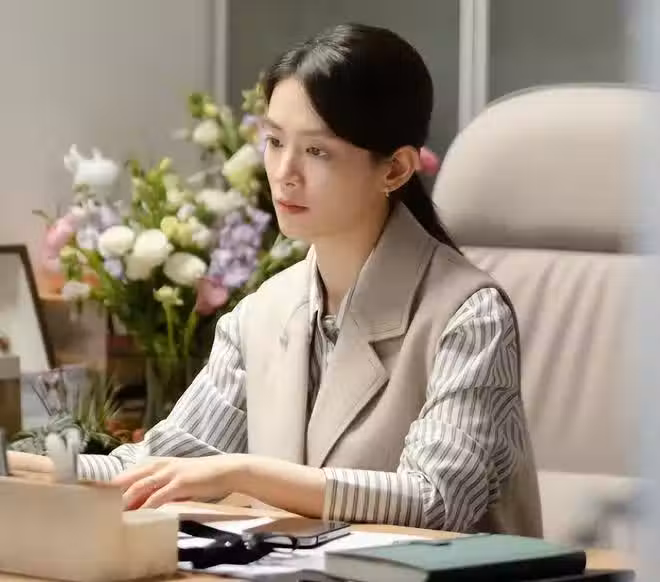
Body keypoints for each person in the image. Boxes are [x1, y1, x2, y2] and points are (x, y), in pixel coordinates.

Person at [10, 23, 542, 536]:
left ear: (395, 169)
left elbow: (436, 501)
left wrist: (242, 473)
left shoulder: (471, 315)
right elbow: (161, 464)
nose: (285, 172)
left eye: (316, 151)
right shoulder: (262, 312)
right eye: (274, 141)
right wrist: (28, 466)